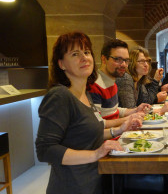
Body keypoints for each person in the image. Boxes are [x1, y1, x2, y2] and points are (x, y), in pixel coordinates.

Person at [35, 32, 140, 194]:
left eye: (87, 52)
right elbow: (45, 150)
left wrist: (120, 129)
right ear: (61, 64)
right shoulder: (60, 96)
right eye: (75, 54)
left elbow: (87, 134)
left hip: (95, 180)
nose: (84, 58)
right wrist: (95, 154)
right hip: (72, 186)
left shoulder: (85, 95)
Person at [88, 39, 149, 129]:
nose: (124, 64)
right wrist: (128, 119)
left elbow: (114, 111)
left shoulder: (112, 82)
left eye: (126, 60)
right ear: (104, 59)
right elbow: (97, 124)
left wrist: (135, 110)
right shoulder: (94, 85)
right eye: (118, 59)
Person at [127, 47, 168, 114]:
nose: (146, 65)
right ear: (132, 63)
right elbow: (130, 110)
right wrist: (159, 110)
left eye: (147, 61)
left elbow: (146, 101)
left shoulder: (139, 82)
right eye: (142, 61)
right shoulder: (126, 79)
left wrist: (156, 80)